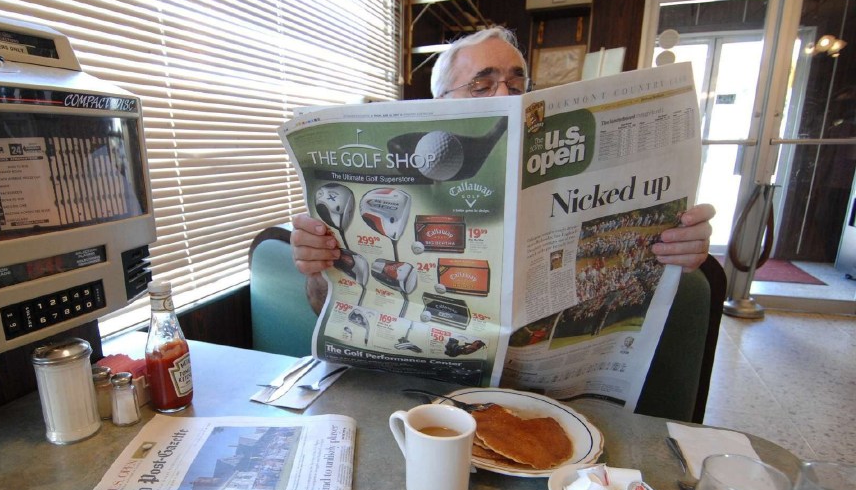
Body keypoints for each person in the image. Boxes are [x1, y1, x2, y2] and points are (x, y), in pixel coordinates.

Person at [289, 26, 715, 313]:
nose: (505, 92)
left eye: (517, 82)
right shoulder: (384, 194)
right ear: (438, 104)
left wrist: (674, 253)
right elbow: (322, 304)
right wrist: (317, 265)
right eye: (482, 83)